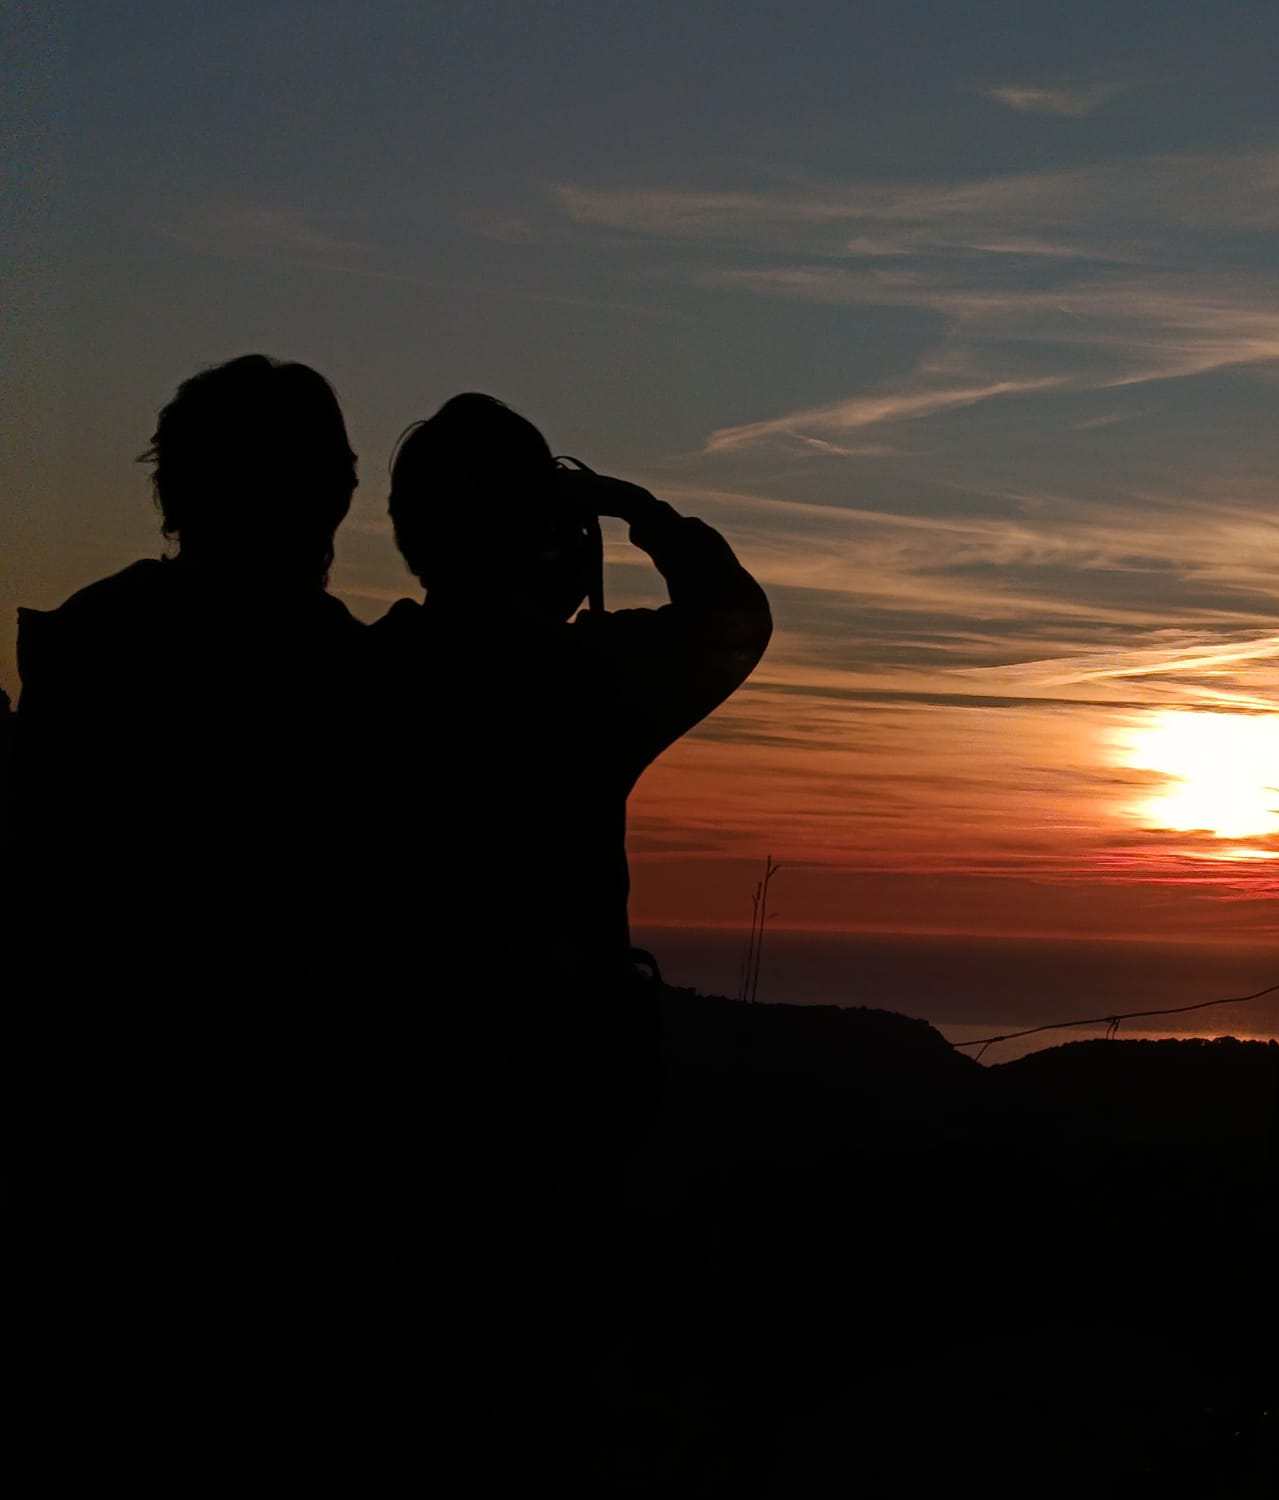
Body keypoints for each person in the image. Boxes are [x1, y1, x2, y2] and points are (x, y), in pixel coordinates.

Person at [371, 391, 772, 1479]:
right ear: (543, 540)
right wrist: (637, 510)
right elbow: (734, 618)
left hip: (387, 1127)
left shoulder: (360, 681)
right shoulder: (582, 683)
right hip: (558, 1116)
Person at [4, 354, 373, 1485]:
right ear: (331, 496)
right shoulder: (361, 688)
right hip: (279, 1209)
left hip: (98, 1191)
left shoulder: (91, 649)